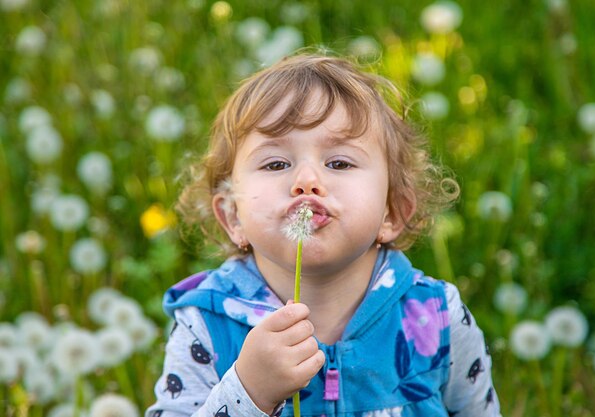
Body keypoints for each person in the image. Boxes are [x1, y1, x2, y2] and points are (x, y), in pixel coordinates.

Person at [146, 53, 501, 417]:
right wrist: (249, 390)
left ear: (391, 211)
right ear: (233, 215)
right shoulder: (206, 324)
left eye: (339, 163)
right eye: (276, 163)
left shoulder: (437, 316)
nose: (306, 181)